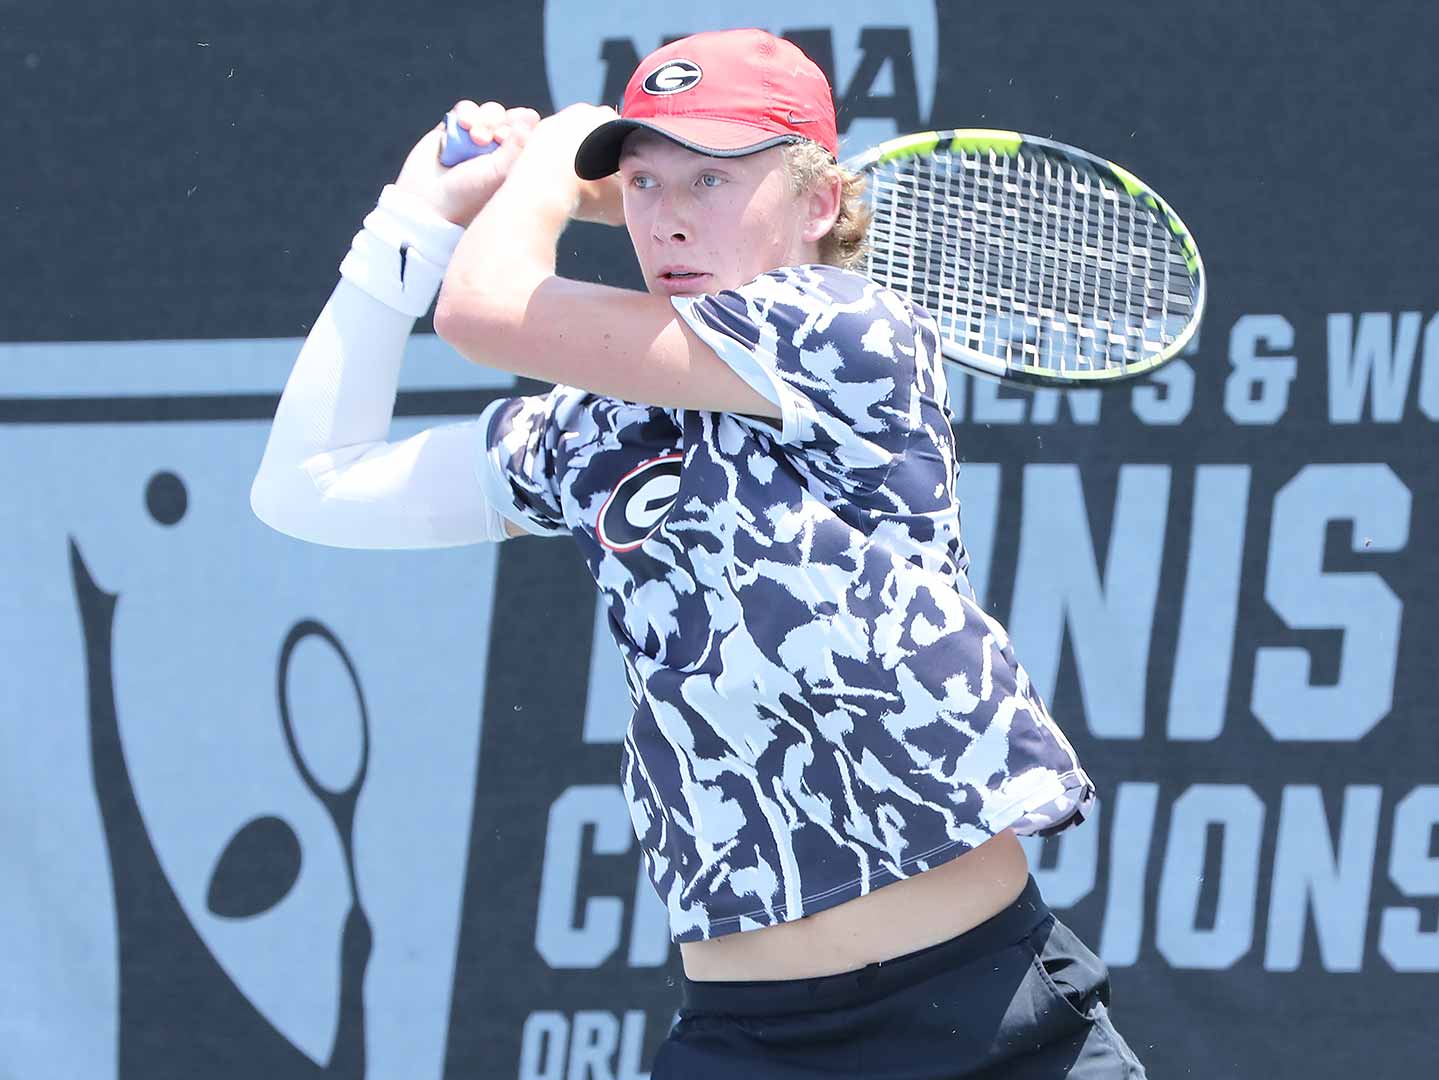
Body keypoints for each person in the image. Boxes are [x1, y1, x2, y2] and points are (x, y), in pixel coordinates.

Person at [251, 27, 1146, 1078]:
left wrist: (549, 163)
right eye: (642, 185)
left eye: (711, 179)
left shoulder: (849, 329)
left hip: (996, 1015)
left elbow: (486, 310)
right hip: (750, 1045)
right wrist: (409, 221)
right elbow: (309, 485)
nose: (668, 217)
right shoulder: (591, 430)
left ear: (819, 204)